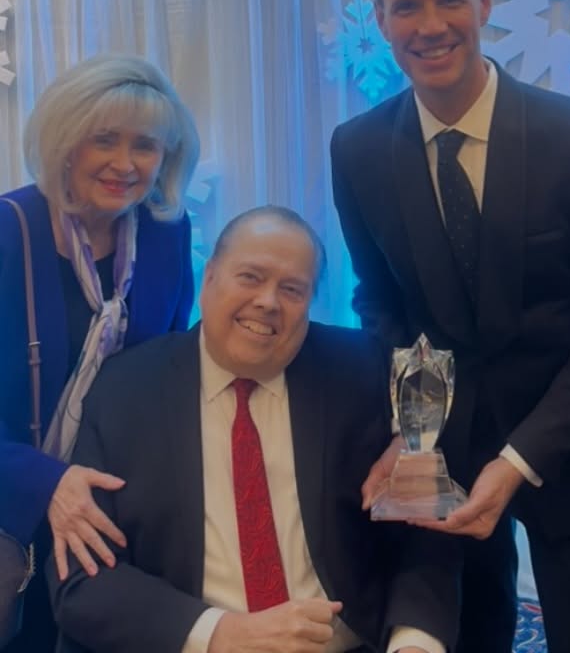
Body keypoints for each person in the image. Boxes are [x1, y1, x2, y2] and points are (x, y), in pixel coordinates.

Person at [330, 0, 570, 653]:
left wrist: (518, 460)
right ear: (381, 17)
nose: (429, 24)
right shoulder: (358, 150)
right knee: (467, 635)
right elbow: (383, 307)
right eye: (407, 5)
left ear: (485, 2)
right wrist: (414, 435)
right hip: (444, 449)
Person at [48, 206, 460, 653]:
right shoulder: (124, 390)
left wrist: (413, 642)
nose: (268, 301)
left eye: (292, 289)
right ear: (208, 280)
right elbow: (84, 578)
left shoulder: (361, 369)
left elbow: (422, 534)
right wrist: (217, 632)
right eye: (250, 277)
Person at [0, 53, 200, 652]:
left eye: (145, 145)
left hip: (113, 508)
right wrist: (47, 484)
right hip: (16, 505)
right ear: (65, 144)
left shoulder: (167, 231)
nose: (124, 164)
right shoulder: (9, 232)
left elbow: (168, 365)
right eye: (104, 140)